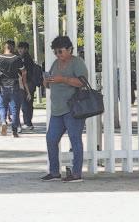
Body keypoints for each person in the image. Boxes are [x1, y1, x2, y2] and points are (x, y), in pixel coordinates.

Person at [41, 35, 88, 183]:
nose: (58, 55)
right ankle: (54, 172)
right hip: (57, 110)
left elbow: (82, 82)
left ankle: (76, 173)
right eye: (55, 52)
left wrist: (63, 79)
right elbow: (49, 84)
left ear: (69, 49)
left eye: (60, 51)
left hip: (72, 109)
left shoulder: (77, 63)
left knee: (75, 140)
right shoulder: (55, 63)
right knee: (51, 139)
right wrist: (46, 81)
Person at [0, 40, 29, 138]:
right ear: (12, 47)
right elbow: (24, 71)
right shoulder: (17, 58)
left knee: (2, 107)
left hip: (2, 86)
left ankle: (3, 122)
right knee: (15, 109)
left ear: (5, 47)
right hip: (14, 86)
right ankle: (14, 131)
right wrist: (23, 81)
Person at [17, 41, 39, 132]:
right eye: (19, 48)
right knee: (28, 103)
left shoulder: (26, 59)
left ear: (26, 49)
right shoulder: (26, 58)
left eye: (21, 48)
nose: (19, 50)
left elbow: (23, 72)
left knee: (25, 104)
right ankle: (28, 122)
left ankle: (28, 123)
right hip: (29, 83)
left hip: (27, 83)